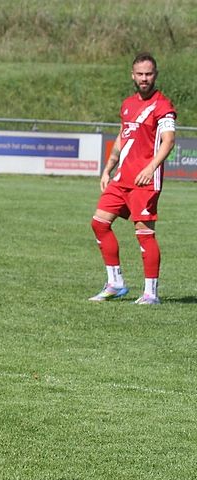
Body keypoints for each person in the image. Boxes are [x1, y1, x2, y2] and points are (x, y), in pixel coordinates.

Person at [90, 52, 175, 305]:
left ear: (155, 75)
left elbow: (168, 141)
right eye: (140, 74)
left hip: (145, 181)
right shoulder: (127, 104)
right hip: (121, 178)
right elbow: (122, 137)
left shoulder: (163, 106)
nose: (144, 78)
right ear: (133, 75)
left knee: (144, 233)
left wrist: (151, 168)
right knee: (99, 224)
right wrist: (108, 168)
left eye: (149, 74)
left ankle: (151, 293)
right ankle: (115, 283)